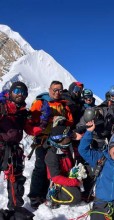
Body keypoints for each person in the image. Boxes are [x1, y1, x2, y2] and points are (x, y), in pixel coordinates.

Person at [28, 80, 74, 209]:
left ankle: (49, 194)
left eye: (60, 90)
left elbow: (70, 121)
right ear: (49, 90)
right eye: (55, 90)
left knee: (54, 169)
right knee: (41, 167)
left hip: (58, 141)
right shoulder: (40, 102)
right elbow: (31, 119)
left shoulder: (64, 106)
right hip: (42, 140)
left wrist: (63, 122)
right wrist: (46, 119)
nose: (57, 92)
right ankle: (35, 196)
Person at [0, 82, 43, 210]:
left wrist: (42, 124)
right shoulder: (2, 106)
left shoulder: (23, 112)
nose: (20, 94)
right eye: (17, 91)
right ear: (11, 92)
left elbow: (30, 130)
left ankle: (15, 210)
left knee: (16, 182)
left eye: (23, 92)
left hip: (14, 151)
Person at [44, 122, 84, 208]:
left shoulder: (66, 147)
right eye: (67, 137)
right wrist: (75, 182)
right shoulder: (52, 155)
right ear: (60, 140)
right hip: (58, 182)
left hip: (70, 174)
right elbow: (56, 178)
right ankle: (53, 198)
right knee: (76, 196)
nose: (70, 138)